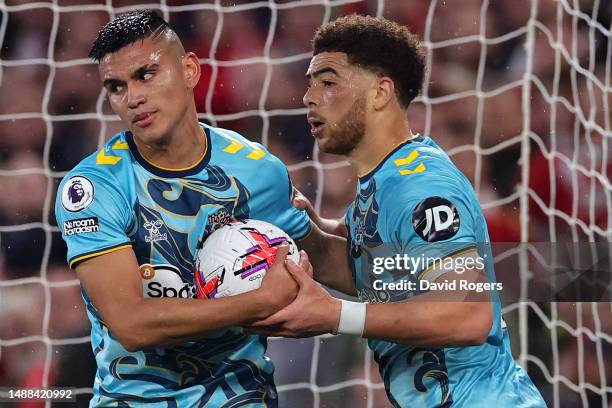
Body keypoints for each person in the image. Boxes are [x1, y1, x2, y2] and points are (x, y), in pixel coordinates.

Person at [247, 15, 547, 407]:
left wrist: (337, 315)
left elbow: (468, 315)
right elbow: (378, 276)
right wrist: (306, 231)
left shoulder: (420, 186)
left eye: (328, 82)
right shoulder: (383, 181)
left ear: (380, 92)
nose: (309, 97)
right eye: (309, 83)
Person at [54, 10, 315, 407]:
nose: (133, 97)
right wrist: (259, 302)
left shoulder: (258, 170)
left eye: (146, 75)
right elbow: (131, 323)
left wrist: (419, 264)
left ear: (190, 69)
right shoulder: (92, 188)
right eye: (116, 86)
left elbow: (330, 261)